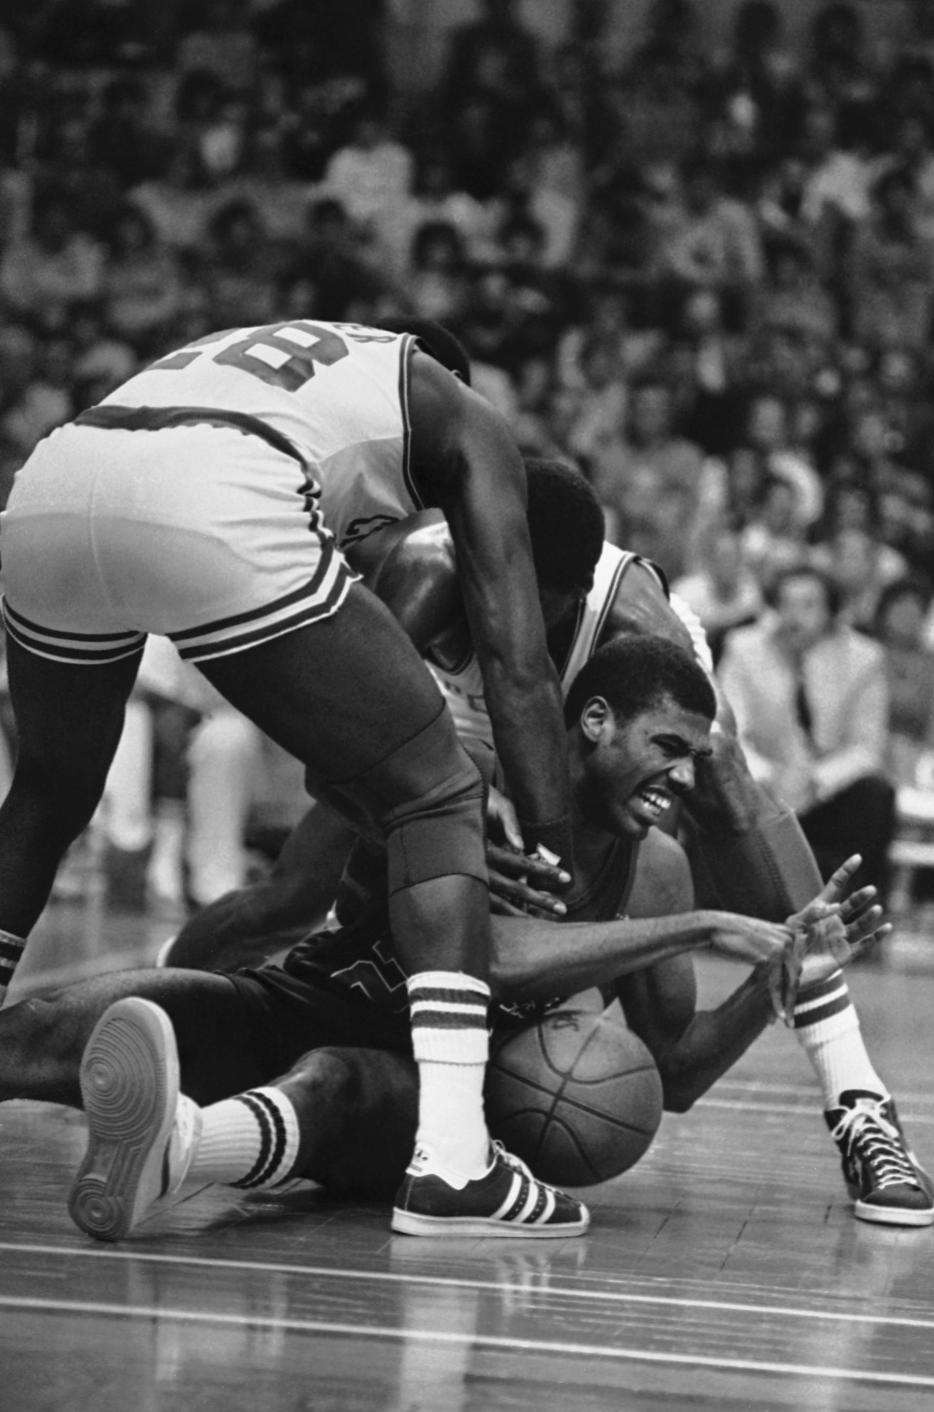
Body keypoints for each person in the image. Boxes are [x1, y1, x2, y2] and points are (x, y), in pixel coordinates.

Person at [162, 482, 934, 1226]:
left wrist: (786, 944)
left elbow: (735, 811)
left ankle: (860, 1106)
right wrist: (423, 817)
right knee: (298, 894)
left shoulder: (635, 630)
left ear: (568, 597)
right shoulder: (427, 572)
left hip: (583, 733)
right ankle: (173, 1029)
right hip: (441, 733)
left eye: (528, 600)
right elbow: (330, 761)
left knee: (733, 818)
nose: (504, 613)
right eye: (489, 586)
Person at [0, 634, 890, 1243]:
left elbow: (678, 1072)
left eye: (696, 757)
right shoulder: (465, 778)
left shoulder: (655, 870)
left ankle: (174, 1153)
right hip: (304, 995)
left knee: (344, 1083)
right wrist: (695, 928)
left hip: (435, 1097)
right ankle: (156, 1132)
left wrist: (769, 980)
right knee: (77, 1022)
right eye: (667, 745)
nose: (684, 776)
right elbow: (479, 951)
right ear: (595, 723)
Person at [0, 318, 585, 1238]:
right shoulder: (463, 417)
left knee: (47, 793)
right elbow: (519, 667)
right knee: (438, 789)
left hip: (53, 479)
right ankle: (456, 1161)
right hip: (213, 489)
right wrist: (557, 848)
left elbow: (335, 752)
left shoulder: (299, 359)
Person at [718, 563, 896, 902]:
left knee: (876, 792)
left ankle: (854, 908)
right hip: (763, 784)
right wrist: (768, 776)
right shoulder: (743, 648)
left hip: (829, 787)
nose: (794, 615)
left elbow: (867, 747)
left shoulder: (865, 657)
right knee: (724, 780)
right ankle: (745, 906)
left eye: (808, 604)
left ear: (831, 610)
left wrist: (817, 780)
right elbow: (729, 730)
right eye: (786, 604)